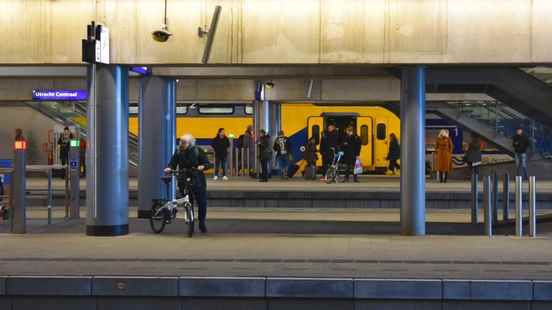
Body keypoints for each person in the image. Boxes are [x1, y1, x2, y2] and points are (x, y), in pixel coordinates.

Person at [164, 134, 212, 234]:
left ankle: (201, 222)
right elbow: (173, 163)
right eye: (181, 142)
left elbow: (207, 163)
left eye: (184, 142)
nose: (182, 144)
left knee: (202, 202)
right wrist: (169, 167)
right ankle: (191, 222)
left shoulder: (198, 151)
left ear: (190, 143)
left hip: (197, 180)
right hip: (183, 179)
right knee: (187, 202)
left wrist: (202, 166)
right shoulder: (178, 151)